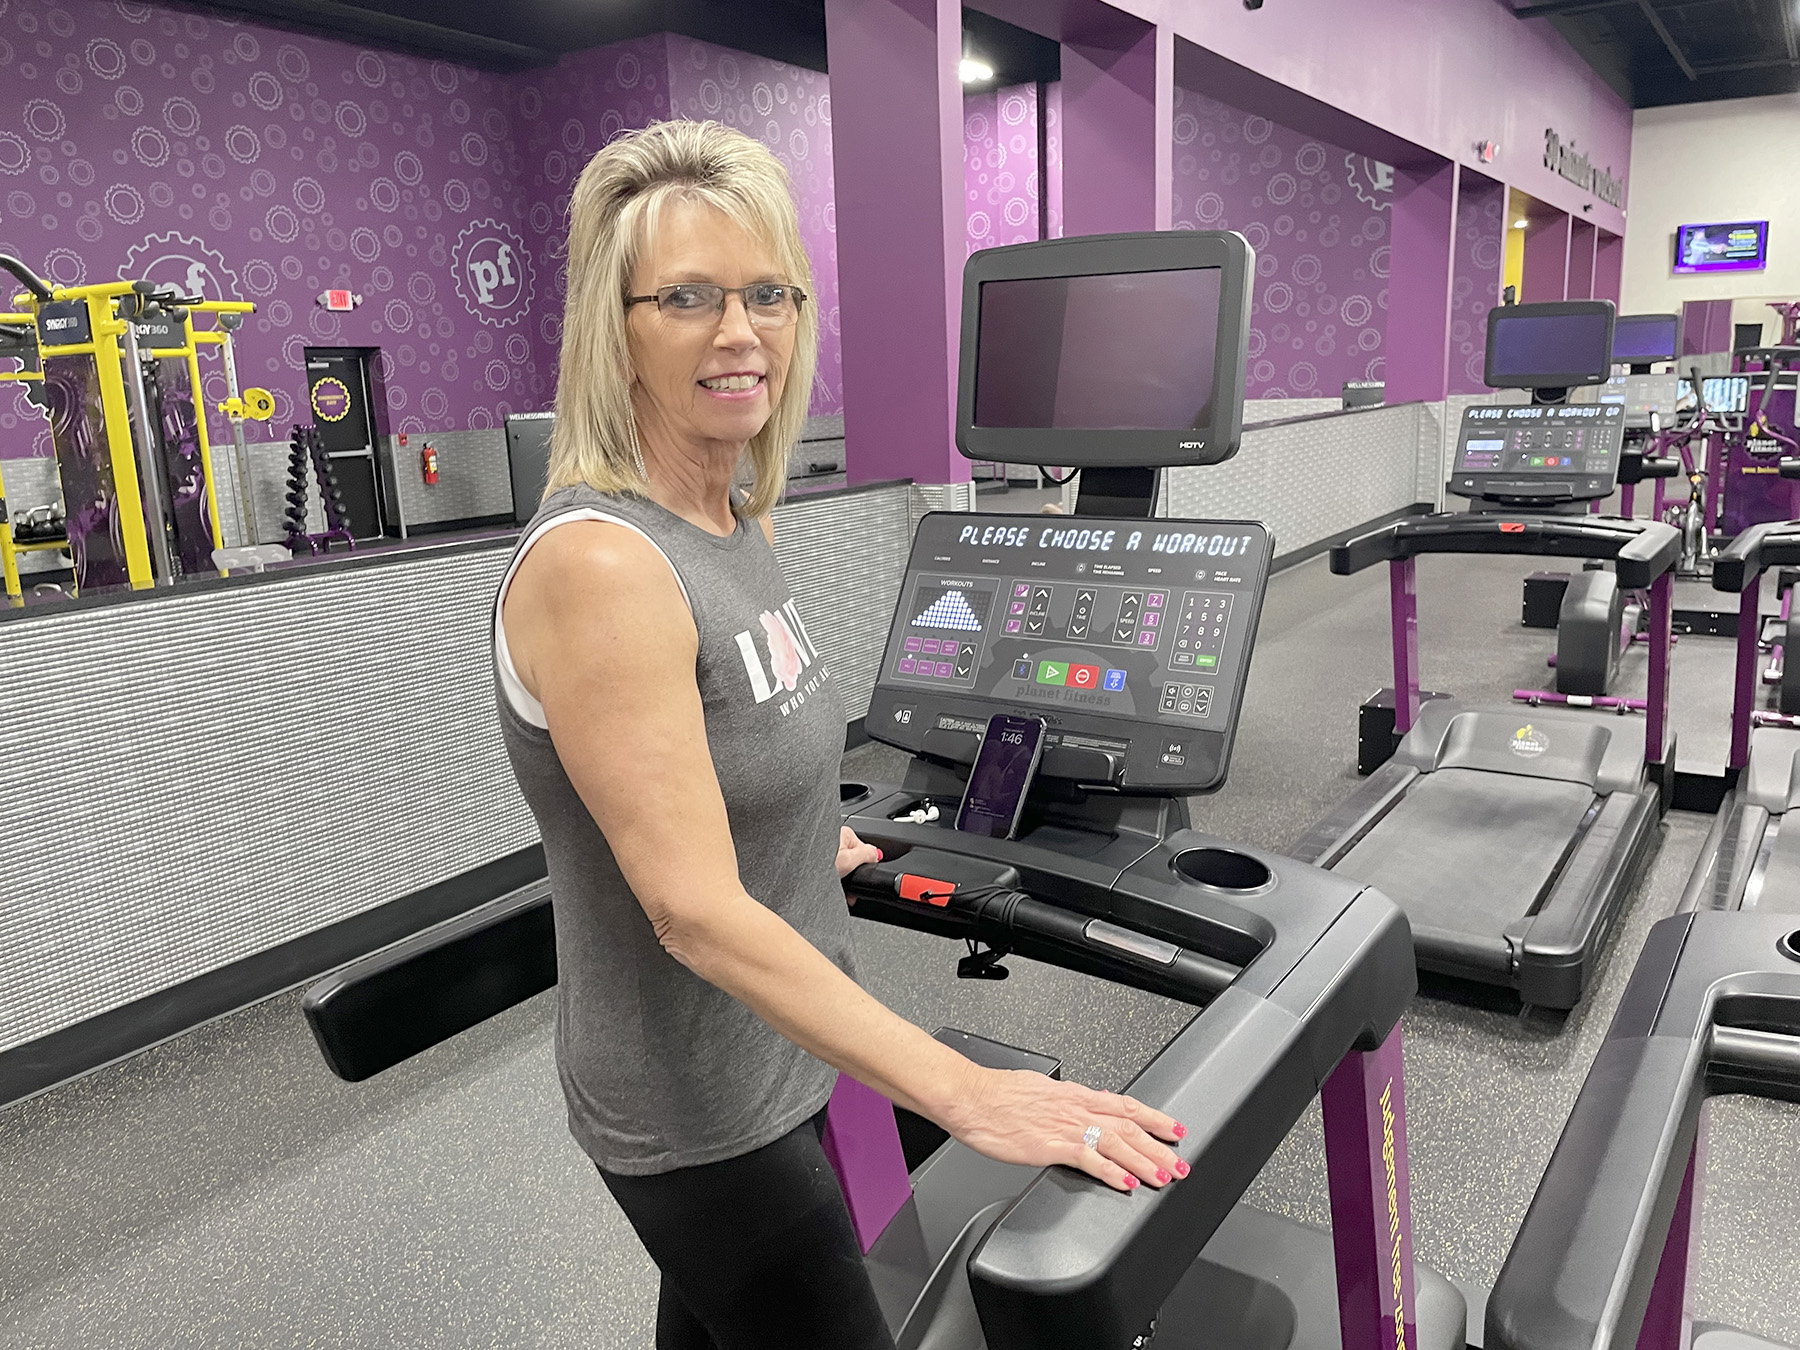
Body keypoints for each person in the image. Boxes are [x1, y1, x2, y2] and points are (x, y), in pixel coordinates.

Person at [494, 120, 1188, 1350]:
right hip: (700, 1104)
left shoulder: (733, 521)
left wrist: (802, 843)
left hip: (785, 1039)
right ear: (617, 326)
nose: (740, 332)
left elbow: (728, 765)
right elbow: (691, 910)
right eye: (689, 298)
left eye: (769, 293)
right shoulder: (602, 565)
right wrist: (963, 1091)